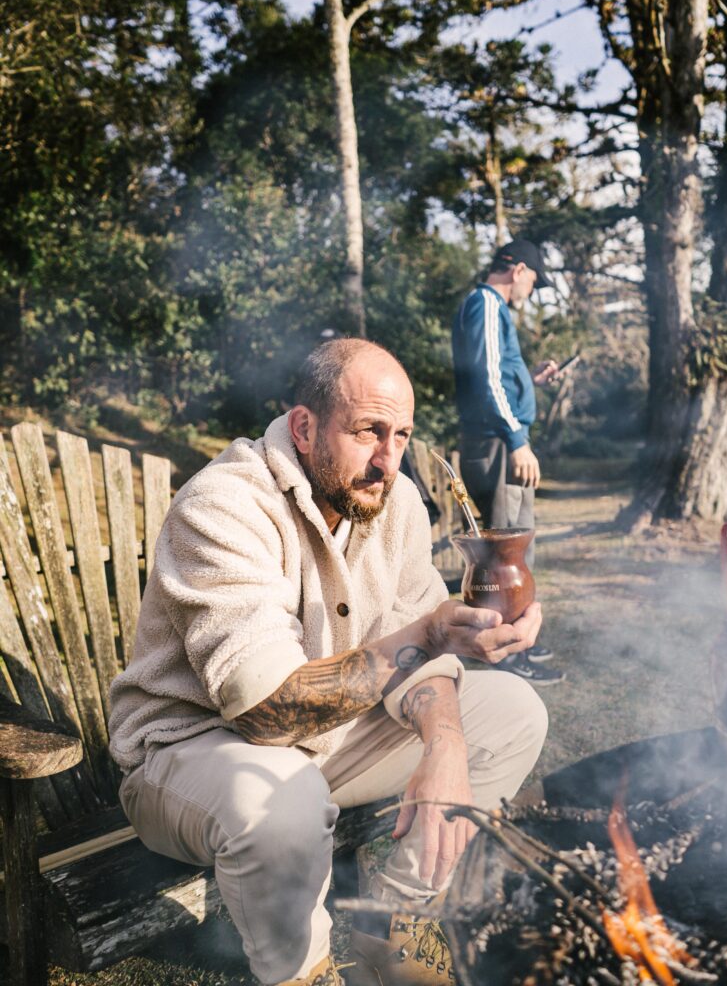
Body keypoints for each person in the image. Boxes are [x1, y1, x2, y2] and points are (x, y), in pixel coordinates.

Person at [108, 338, 548, 986]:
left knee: (513, 713)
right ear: (305, 427)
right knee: (280, 805)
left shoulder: (394, 504)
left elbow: (419, 647)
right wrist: (426, 636)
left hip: (328, 745)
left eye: (401, 435)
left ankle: (385, 923)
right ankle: (303, 972)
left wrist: (446, 743)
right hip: (192, 755)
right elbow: (264, 711)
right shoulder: (225, 504)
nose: (387, 460)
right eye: (369, 431)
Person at [452, 239, 566, 686]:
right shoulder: (485, 302)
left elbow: (498, 376)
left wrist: (531, 382)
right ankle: (505, 654)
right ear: (518, 269)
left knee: (519, 550)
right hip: (499, 445)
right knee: (504, 558)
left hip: (503, 439)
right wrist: (518, 438)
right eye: (534, 281)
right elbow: (485, 378)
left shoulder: (492, 309)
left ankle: (523, 641)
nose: (532, 291)